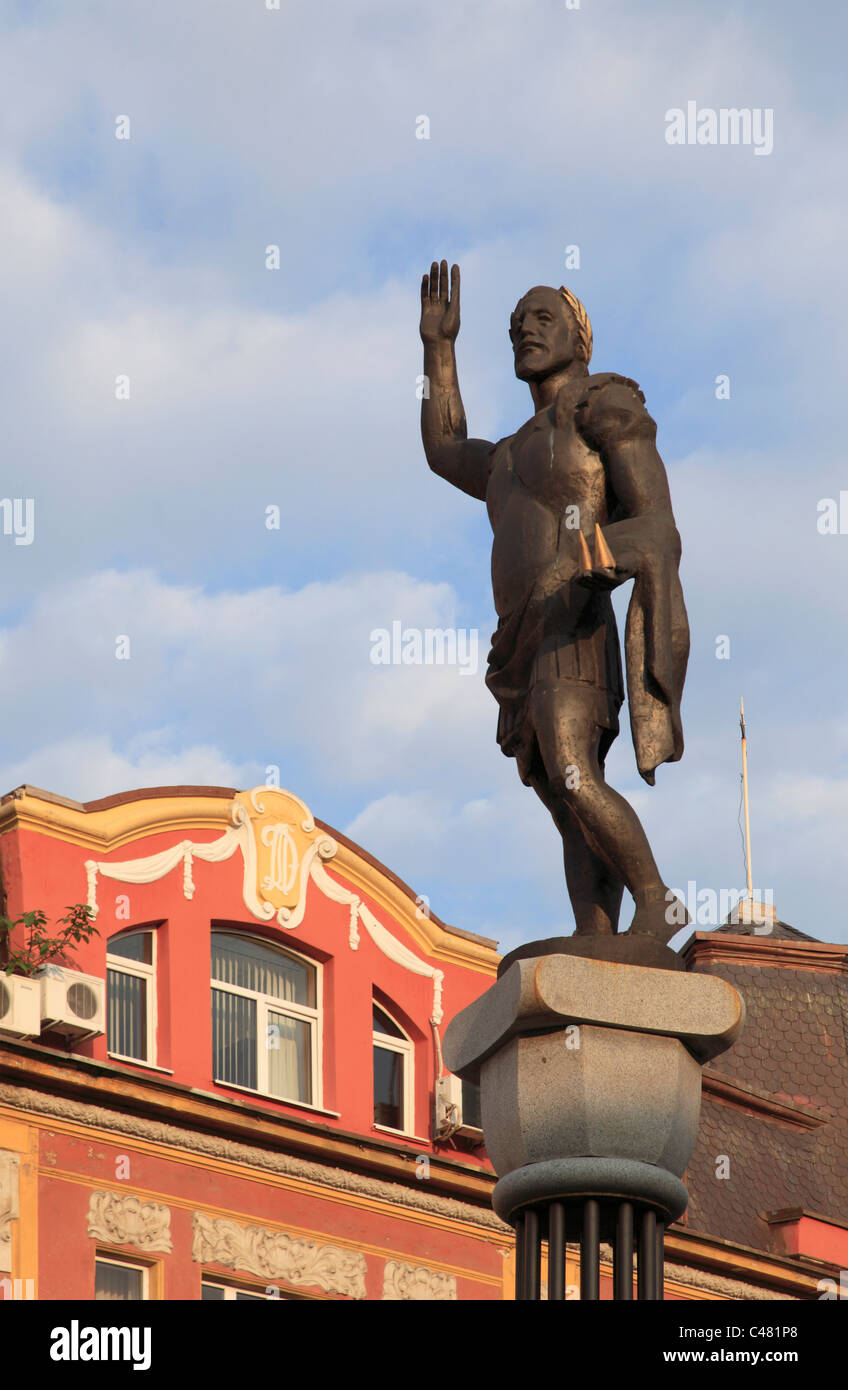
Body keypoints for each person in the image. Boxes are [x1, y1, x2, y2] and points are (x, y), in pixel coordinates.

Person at [420, 261, 689, 940]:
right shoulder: (505, 456)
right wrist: (439, 350)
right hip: (523, 637)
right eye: (515, 325)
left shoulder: (605, 407)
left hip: (575, 624)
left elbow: (658, 525)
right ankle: (596, 935)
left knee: (573, 771)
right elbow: (443, 446)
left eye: (543, 319)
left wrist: (584, 558)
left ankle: (659, 902)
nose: (524, 331)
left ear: (581, 335)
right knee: (562, 796)